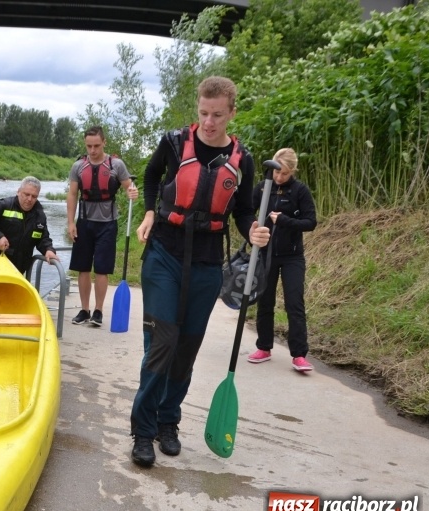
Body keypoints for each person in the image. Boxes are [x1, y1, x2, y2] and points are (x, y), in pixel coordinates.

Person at [129, 77, 271, 466]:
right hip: (164, 255)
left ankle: (167, 421)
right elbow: (151, 176)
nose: (209, 122)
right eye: (204, 113)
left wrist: (254, 231)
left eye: (218, 115)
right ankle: (142, 431)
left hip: (209, 264)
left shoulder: (243, 160)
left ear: (232, 113)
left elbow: (242, 209)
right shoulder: (174, 143)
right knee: (163, 343)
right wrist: (147, 212)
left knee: (186, 349)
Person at [248, 148, 318, 371]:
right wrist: (252, 229)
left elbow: (310, 222)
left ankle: (299, 355)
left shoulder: (300, 190)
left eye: (285, 174)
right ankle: (264, 347)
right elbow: (246, 211)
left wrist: (285, 221)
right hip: (266, 253)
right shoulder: (262, 187)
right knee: (265, 300)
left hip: (292, 257)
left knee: (294, 303)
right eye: (277, 173)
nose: (279, 178)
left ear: (292, 171)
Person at [66, 126, 138, 328]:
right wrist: (71, 222)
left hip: (108, 223)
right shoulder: (78, 166)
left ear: (104, 142)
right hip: (84, 222)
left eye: (96, 145)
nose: (92, 150)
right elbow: (72, 194)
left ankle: (98, 311)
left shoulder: (116, 165)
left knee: (102, 269)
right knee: (82, 268)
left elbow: (129, 187)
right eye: (89, 146)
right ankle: (84, 310)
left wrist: (133, 192)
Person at [0, 176, 59, 274]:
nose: (30, 199)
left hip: (18, 270)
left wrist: (48, 250)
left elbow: (43, 238)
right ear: (18, 192)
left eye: (34, 196)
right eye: (26, 194)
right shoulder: (5, 205)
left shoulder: (39, 215)